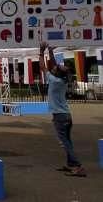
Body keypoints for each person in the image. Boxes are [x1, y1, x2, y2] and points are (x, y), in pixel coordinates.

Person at [39, 42, 86, 177]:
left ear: (56, 73)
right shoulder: (62, 80)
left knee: (65, 142)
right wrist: (51, 52)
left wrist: (42, 52)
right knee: (68, 140)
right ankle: (71, 164)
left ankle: (78, 166)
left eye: (56, 68)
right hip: (66, 116)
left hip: (60, 117)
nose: (54, 67)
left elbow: (43, 67)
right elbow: (55, 66)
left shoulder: (54, 80)